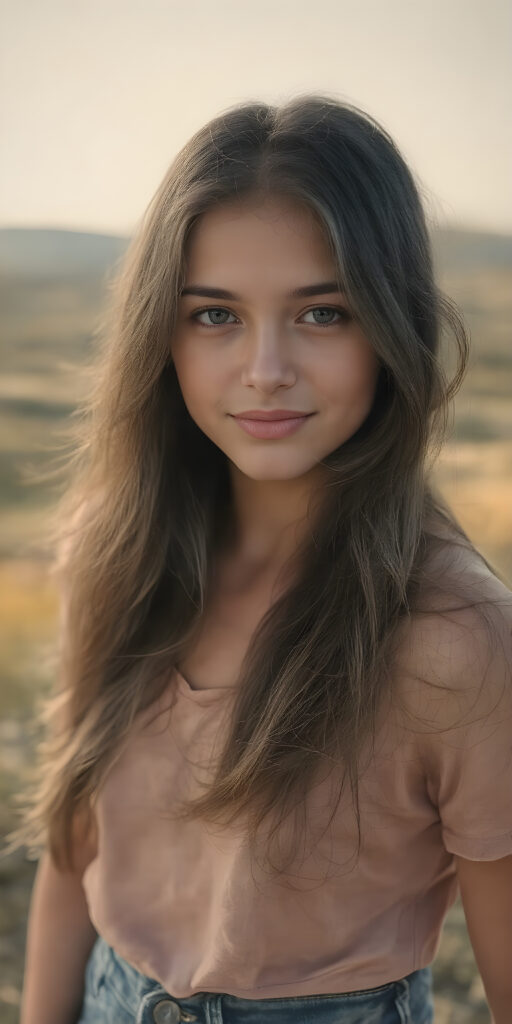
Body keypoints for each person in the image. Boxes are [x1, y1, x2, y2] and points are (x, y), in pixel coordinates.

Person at [5, 93, 512, 1024]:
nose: (267, 369)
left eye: (322, 313)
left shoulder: (455, 639)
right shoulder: (115, 552)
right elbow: (77, 853)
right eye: (215, 316)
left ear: (392, 327)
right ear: (161, 334)